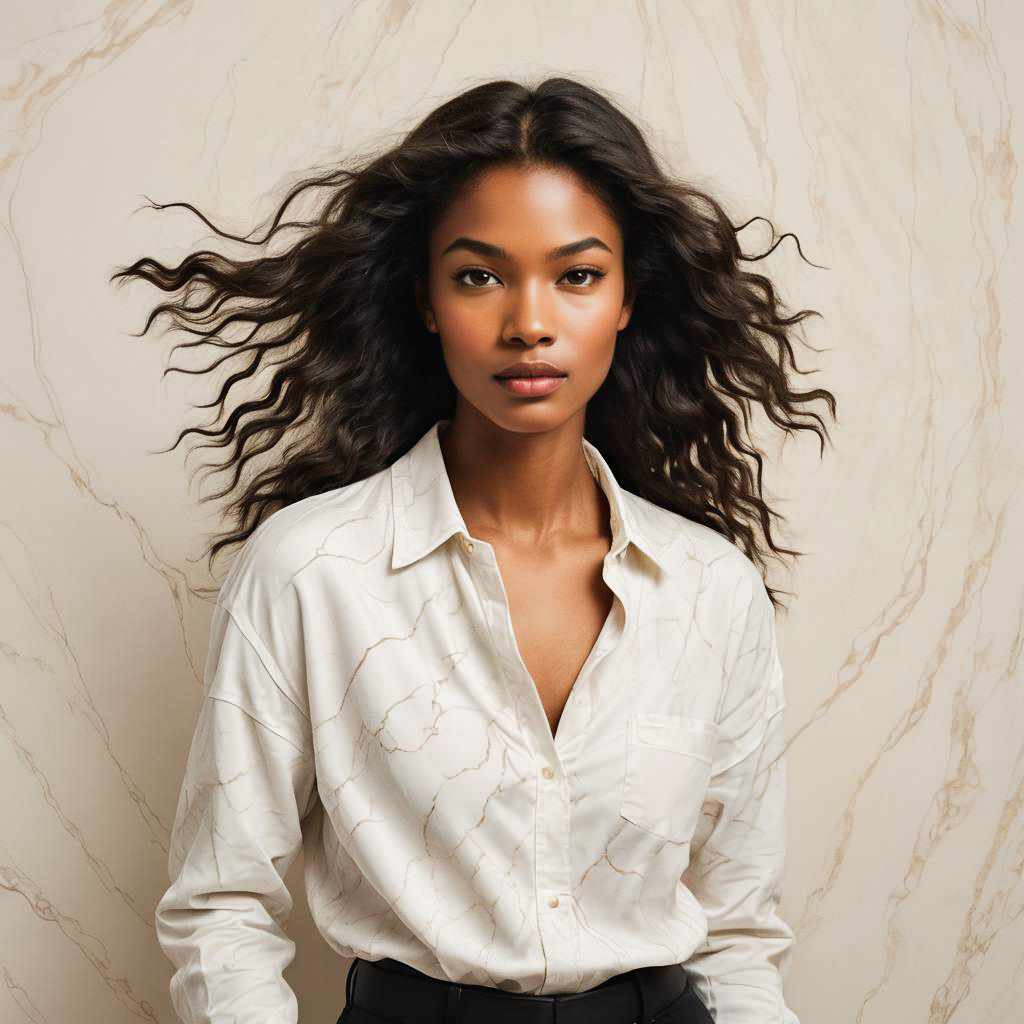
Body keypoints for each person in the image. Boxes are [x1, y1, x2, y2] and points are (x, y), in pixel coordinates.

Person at [114, 74, 835, 1024]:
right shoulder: (312, 572)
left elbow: (738, 937)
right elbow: (221, 906)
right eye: (480, 274)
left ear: (626, 299)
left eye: (577, 275)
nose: (529, 321)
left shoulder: (711, 590)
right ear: (424, 298)